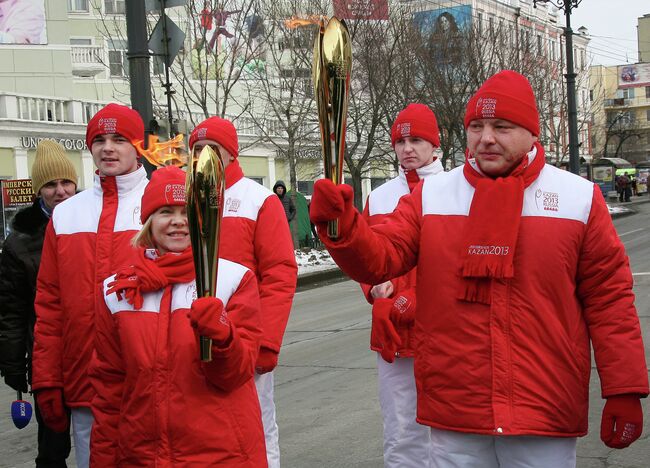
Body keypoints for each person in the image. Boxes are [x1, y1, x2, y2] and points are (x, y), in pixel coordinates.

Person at [310, 70, 648, 468]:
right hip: (457, 409)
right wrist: (344, 227)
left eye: (501, 127)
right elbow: (380, 258)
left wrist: (623, 388)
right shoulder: (432, 196)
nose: (486, 137)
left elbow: (609, 300)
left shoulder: (577, 198)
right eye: (476, 126)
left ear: (531, 133)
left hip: (542, 407)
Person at [89, 166, 266, 466]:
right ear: (147, 221)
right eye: (165, 212)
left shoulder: (232, 280)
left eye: (186, 211)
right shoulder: (116, 291)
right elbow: (110, 388)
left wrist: (223, 336)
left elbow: (238, 373)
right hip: (142, 457)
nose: (178, 222)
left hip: (220, 456)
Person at [31, 104, 149, 468]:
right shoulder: (67, 215)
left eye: (119, 139)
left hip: (147, 381)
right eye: (99, 139)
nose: (108, 148)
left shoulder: (160, 205)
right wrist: (47, 379)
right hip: (86, 385)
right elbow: (49, 305)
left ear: (137, 145)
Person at [189, 117, 297, 468]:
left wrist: (265, 342)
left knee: (255, 426)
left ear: (231, 154)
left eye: (212, 150)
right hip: (191, 336)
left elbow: (279, 275)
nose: (204, 157)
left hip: (244, 340)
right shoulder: (185, 198)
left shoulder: (259, 201)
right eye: (197, 150)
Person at [360, 103, 443, 467]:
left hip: (444, 330)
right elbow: (364, 258)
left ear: (435, 144)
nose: (407, 148)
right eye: (401, 140)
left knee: (448, 431)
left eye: (417, 140)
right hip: (392, 330)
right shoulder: (378, 196)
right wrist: (374, 289)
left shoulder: (454, 189)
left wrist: (415, 298)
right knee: (400, 429)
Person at [0, 140, 77, 467]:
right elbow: (11, 311)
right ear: (37, 190)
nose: (60, 191)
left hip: (93, 350)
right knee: (52, 444)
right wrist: (14, 364)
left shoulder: (93, 220)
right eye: (50, 184)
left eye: (66, 183)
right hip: (47, 354)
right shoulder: (19, 242)